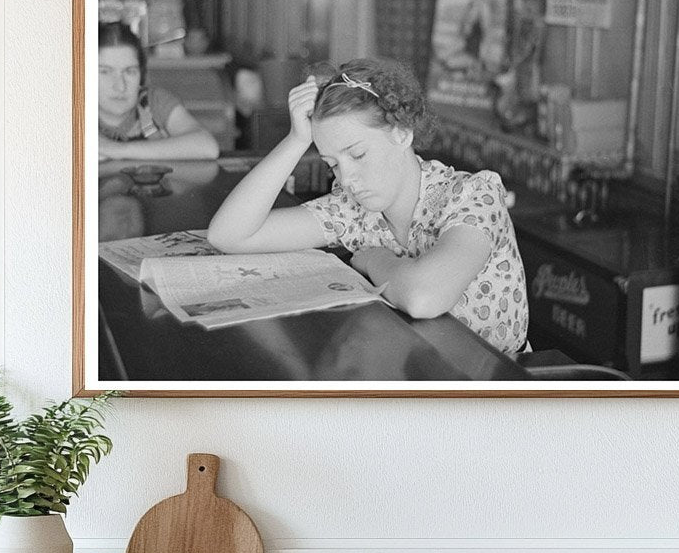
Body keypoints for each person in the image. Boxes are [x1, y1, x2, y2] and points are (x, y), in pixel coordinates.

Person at [207, 58, 529, 354]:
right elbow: (229, 235)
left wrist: (374, 259)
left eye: (358, 155)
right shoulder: (354, 211)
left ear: (402, 134)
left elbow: (423, 297)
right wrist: (296, 140)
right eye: (333, 164)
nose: (346, 179)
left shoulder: (473, 194)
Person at [97, 22, 220, 161]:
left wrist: (113, 149)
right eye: (105, 72)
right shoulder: (71, 111)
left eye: (130, 71)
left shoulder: (153, 102)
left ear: (141, 76)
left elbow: (207, 147)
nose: (120, 86)